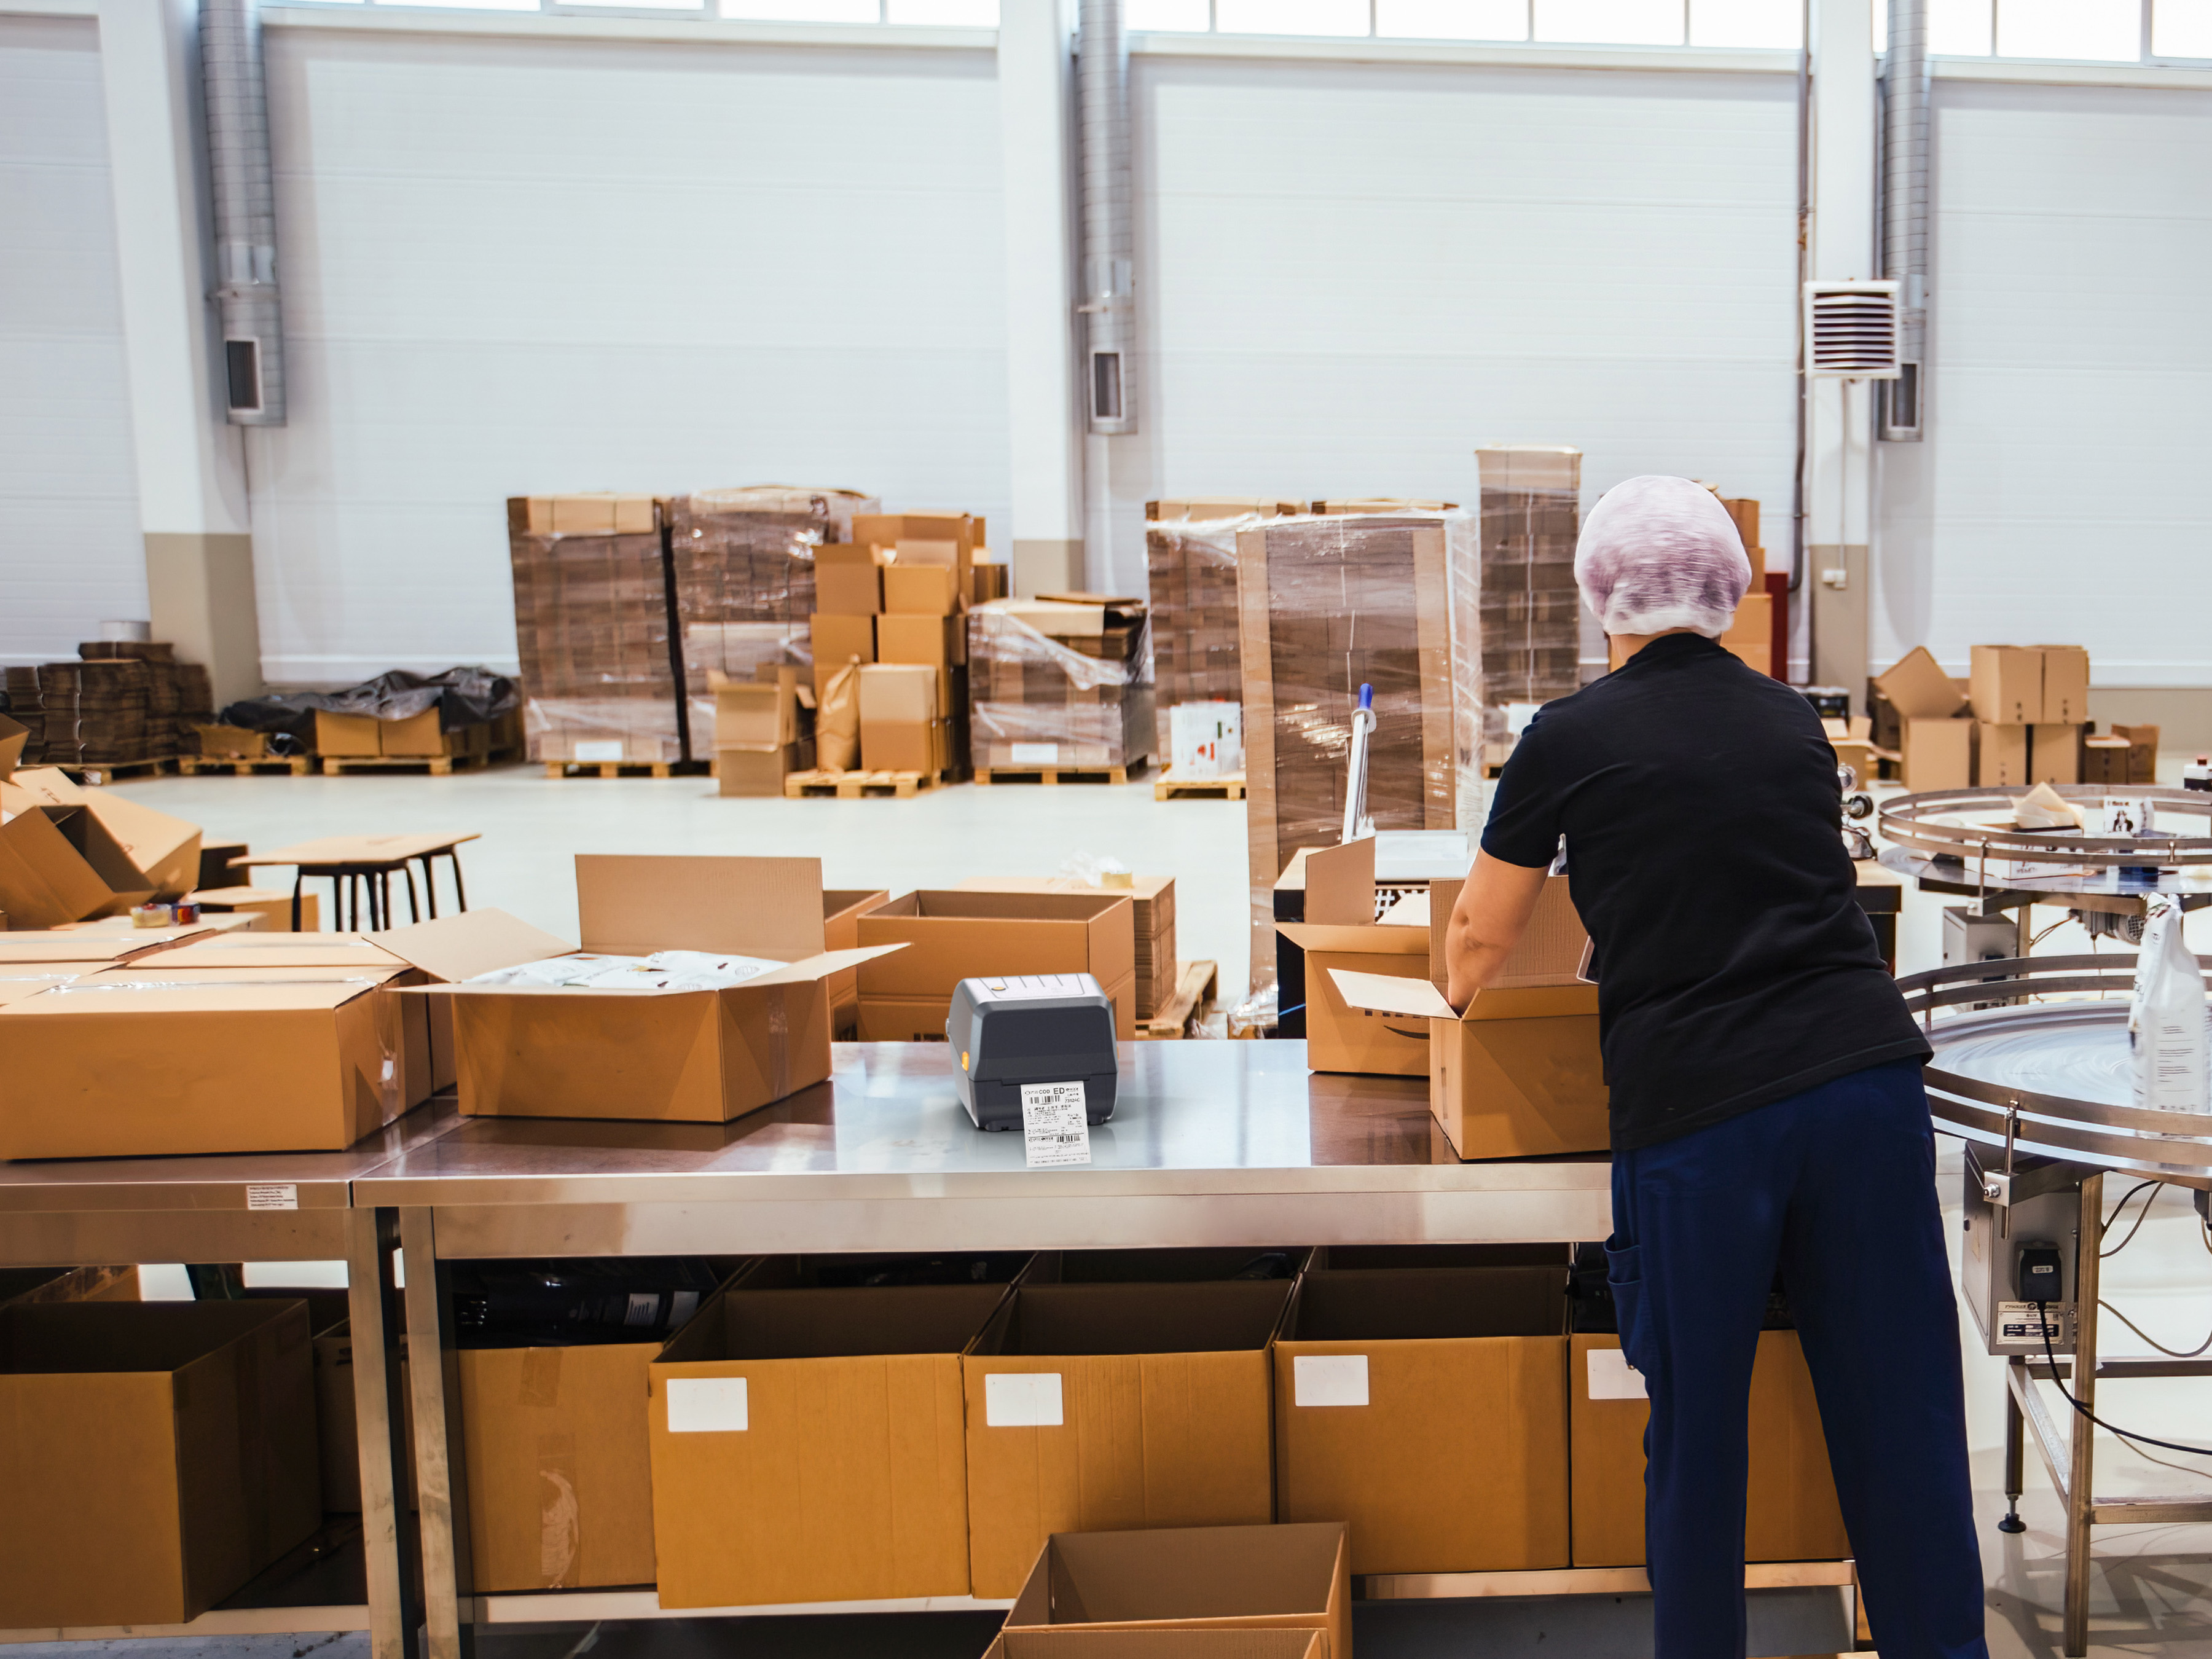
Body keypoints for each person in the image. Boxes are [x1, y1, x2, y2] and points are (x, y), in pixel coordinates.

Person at [1445, 476, 1988, 1659]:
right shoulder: (1790, 717)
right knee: (1903, 1417)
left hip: (1702, 1115)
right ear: (1729, 598)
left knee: (1699, 1438)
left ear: (1604, 600)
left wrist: (1441, 1013)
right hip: (1864, 1085)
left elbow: (1483, 935)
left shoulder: (1567, 736)